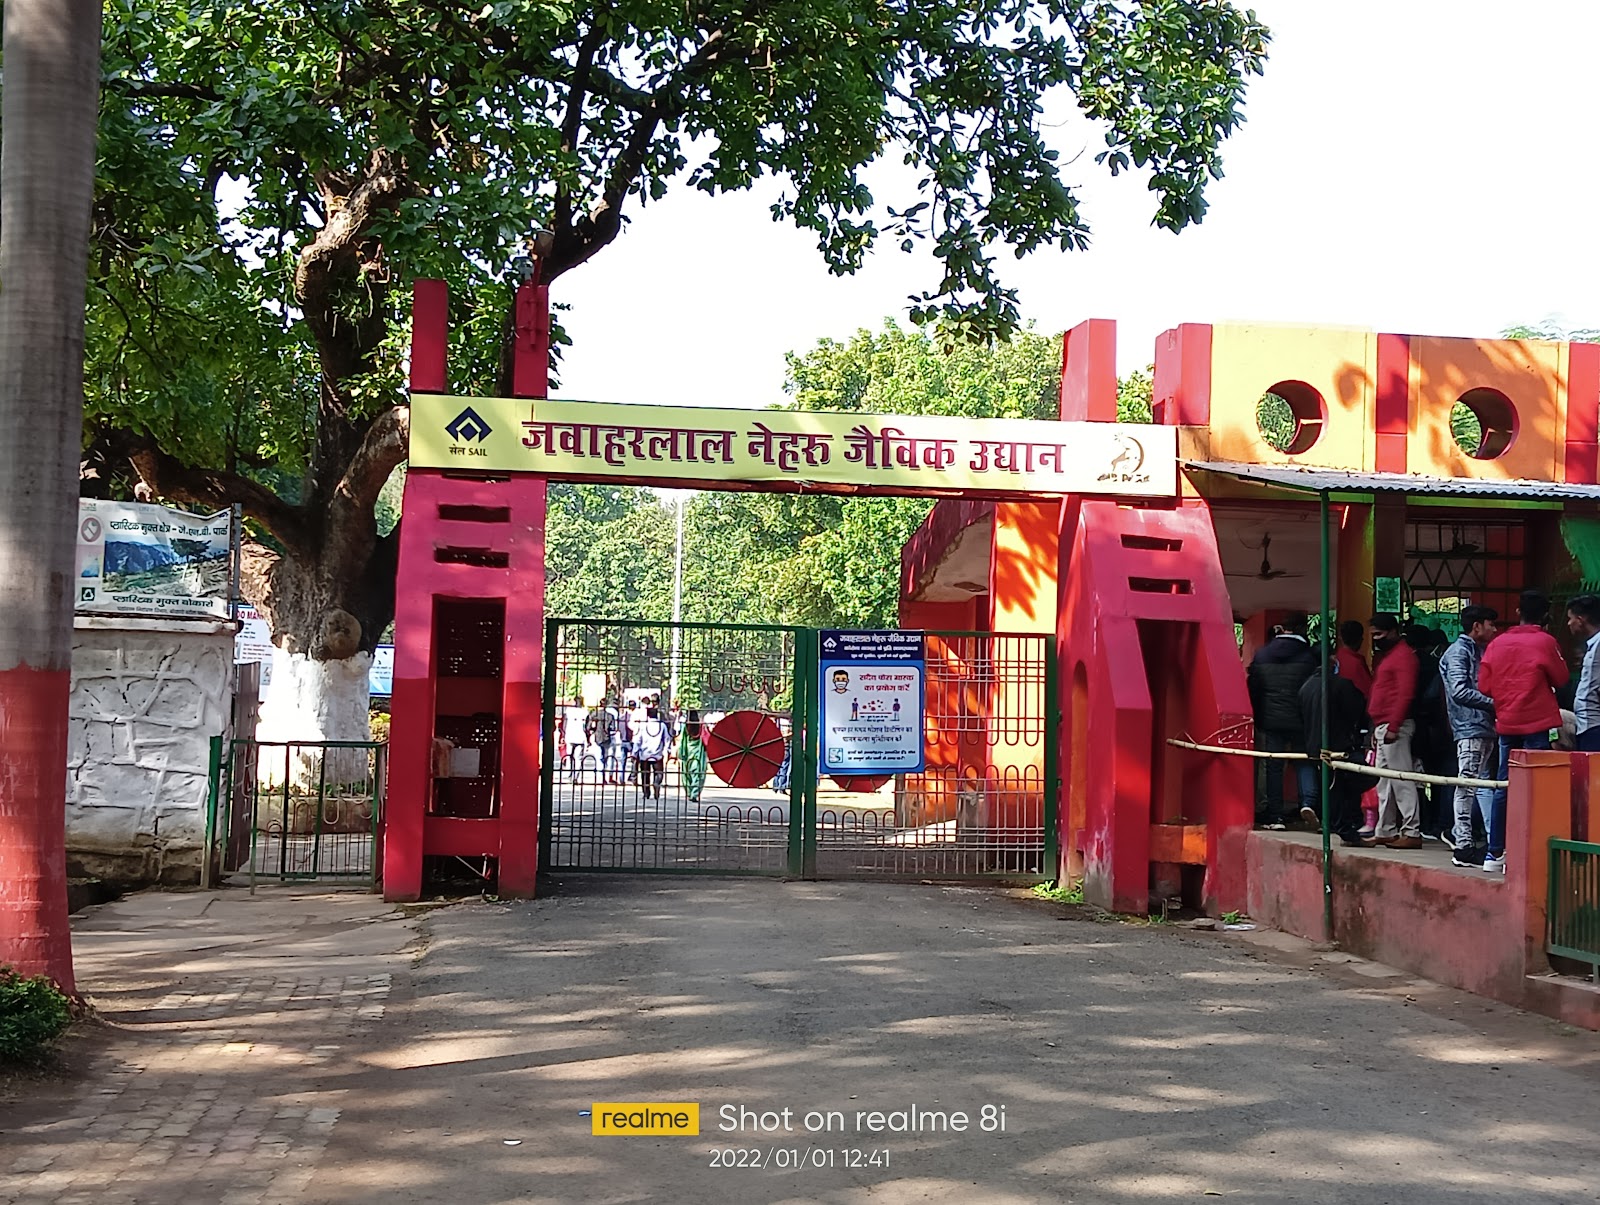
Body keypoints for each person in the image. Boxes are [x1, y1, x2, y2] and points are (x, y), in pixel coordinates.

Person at [1479, 590, 1569, 874]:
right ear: (1545, 615)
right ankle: (1532, 852)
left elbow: (1484, 686)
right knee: (1536, 787)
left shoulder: (1497, 643)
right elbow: (1562, 678)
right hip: (1538, 722)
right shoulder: (1546, 641)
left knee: (1504, 786)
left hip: (1507, 721)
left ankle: (1494, 853)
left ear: (1518, 612)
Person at [1246, 612, 1318, 830]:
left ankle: (1274, 815)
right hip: (1302, 719)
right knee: (1305, 761)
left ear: (1282, 630)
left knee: (1273, 766)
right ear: (1303, 629)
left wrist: (1258, 716)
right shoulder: (1310, 657)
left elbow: (1254, 689)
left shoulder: (1262, 655)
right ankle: (1308, 803)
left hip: (1271, 720)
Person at [1439, 605, 1498, 867]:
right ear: (1477, 626)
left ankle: (1487, 841)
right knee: (1468, 785)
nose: (1494, 629)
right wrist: (1496, 703)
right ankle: (1462, 846)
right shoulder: (1459, 652)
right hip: (1470, 726)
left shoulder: (1474, 650)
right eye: (1490, 624)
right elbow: (1459, 691)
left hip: (1480, 726)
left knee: (1479, 785)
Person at [1298, 654, 1376, 846]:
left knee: (1332, 787)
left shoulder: (1305, 687)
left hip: (1315, 747)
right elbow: (1356, 711)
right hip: (1340, 746)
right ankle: (1346, 828)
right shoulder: (1341, 685)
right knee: (1355, 782)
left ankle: (1339, 825)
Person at [1367, 613, 1421, 848]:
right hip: (1385, 725)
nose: (1375, 639)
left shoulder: (1402, 657)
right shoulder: (1394, 656)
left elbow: (1405, 694)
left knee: (1401, 780)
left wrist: (1393, 725)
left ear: (1392, 631)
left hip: (1393, 725)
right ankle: (1386, 829)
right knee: (1386, 782)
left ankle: (1411, 830)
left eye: (1378, 634)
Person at [1405, 625, 1454, 841]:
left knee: (1421, 778)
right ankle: (1441, 823)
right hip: (1441, 731)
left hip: (1425, 728)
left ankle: (1427, 822)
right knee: (1446, 779)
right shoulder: (1436, 667)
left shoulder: (1412, 664)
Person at [1566, 595, 1600, 752]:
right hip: (1587, 724)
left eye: (1570, 618)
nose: (1569, 623)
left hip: (1594, 725)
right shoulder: (1593, 645)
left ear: (1580, 620)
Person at [632, 705, 674, 801]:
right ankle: (656, 784)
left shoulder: (643, 725)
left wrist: (634, 753)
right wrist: (667, 750)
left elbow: (638, 740)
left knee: (645, 774)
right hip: (658, 754)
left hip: (644, 754)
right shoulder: (662, 726)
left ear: (648, 715)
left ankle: (646, 792)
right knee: (658, 773)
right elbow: (667, 739)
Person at [1335, 619, 1374, 699]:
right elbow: (1369, 692)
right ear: (1360, 639)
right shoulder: (1356, 663)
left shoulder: (1336, 658)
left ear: (1341, 638)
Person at [677, 709, 709, 804]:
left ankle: (689, 792)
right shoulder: (701, 726)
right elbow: (706, 739)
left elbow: (682, 740)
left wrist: (681, 753)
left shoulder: (686, 726)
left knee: (687, 774)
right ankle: (694, 794)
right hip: (698, 752)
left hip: (687, 751)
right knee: (697, 773)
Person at [562, 697, 590, 784]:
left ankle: (569, 774)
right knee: (578, 758)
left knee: (569, 756)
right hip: (580, 737)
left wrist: (563, 735)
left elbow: (564, 724)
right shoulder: (585, 712)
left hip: (570, 736)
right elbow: (587, 727)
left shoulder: (568, 711)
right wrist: (588, 739)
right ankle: (576, 777)